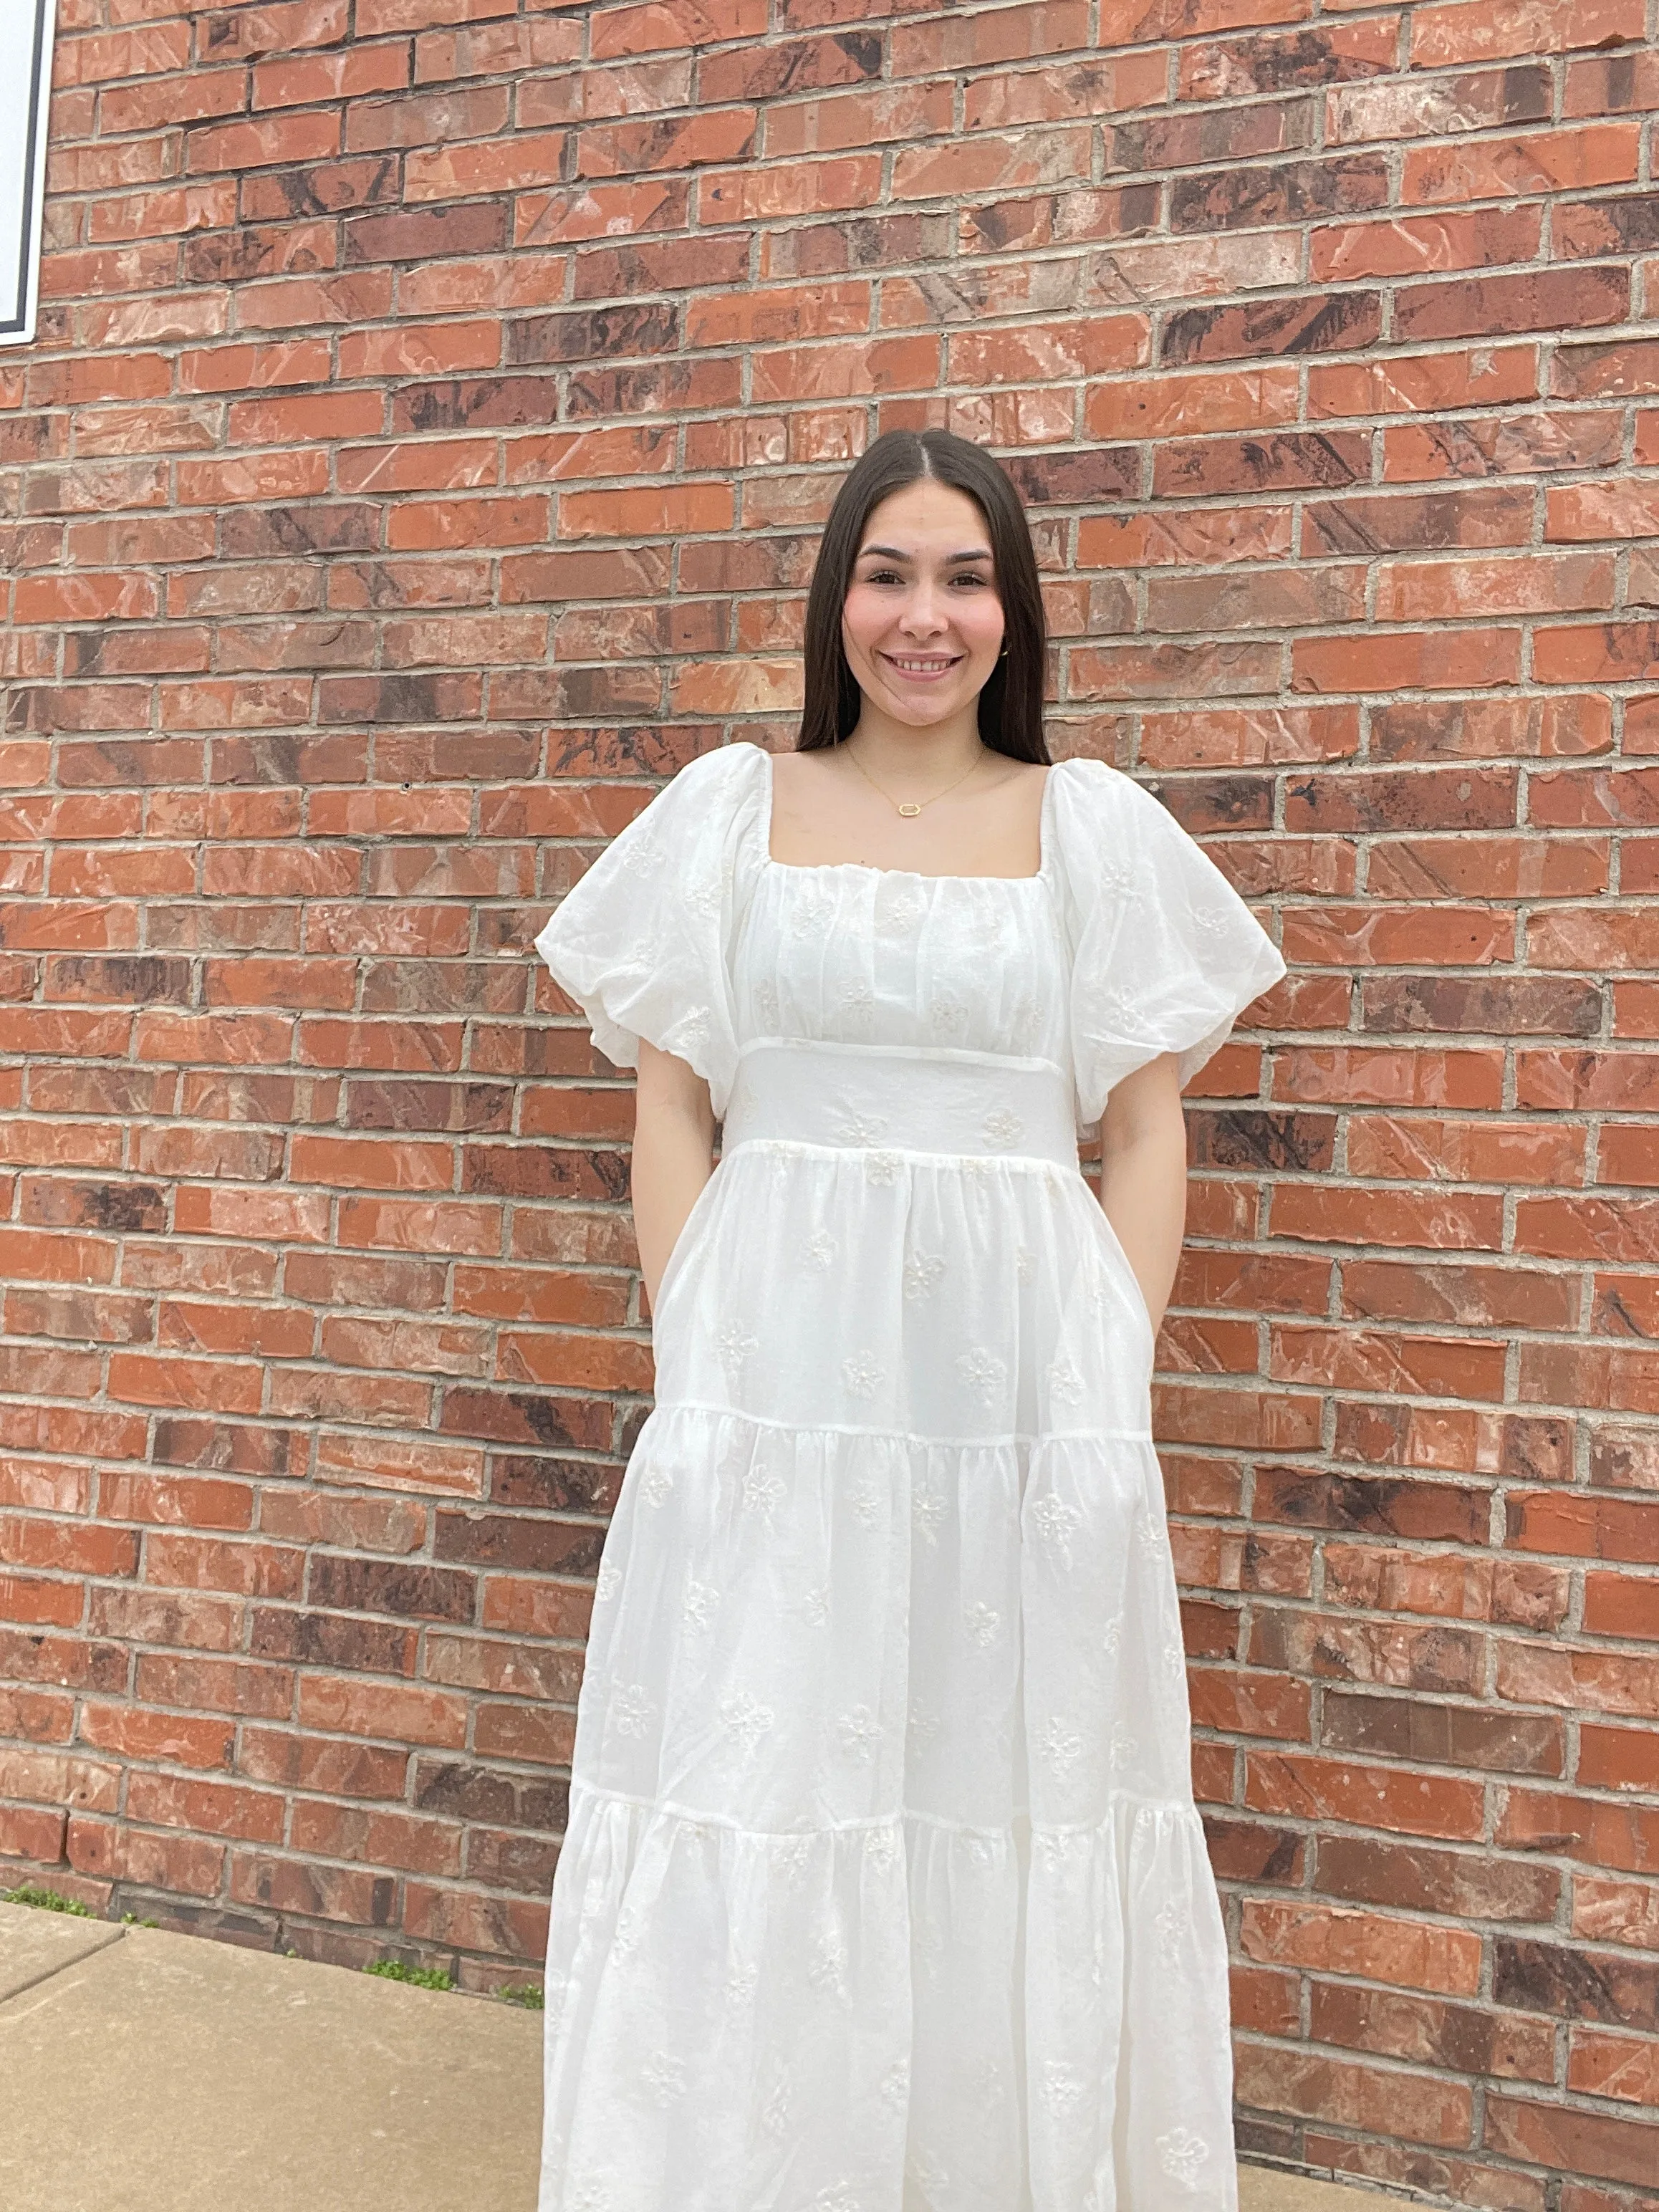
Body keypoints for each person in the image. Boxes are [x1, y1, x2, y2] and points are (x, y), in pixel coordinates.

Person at [532, 427, 1286, 2212]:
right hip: (772, 1379)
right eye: (888, 572)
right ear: (836, 596)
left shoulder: (1092, 828)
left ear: (1013, 607)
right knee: (761, 1760)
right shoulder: (728, 810)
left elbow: (1148, 1118)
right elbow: (671, 1095)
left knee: (1000, 1783)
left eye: (963, 576)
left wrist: (1114, 1378)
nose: (923, 615)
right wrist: (694, 1340)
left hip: (1022, 1395)